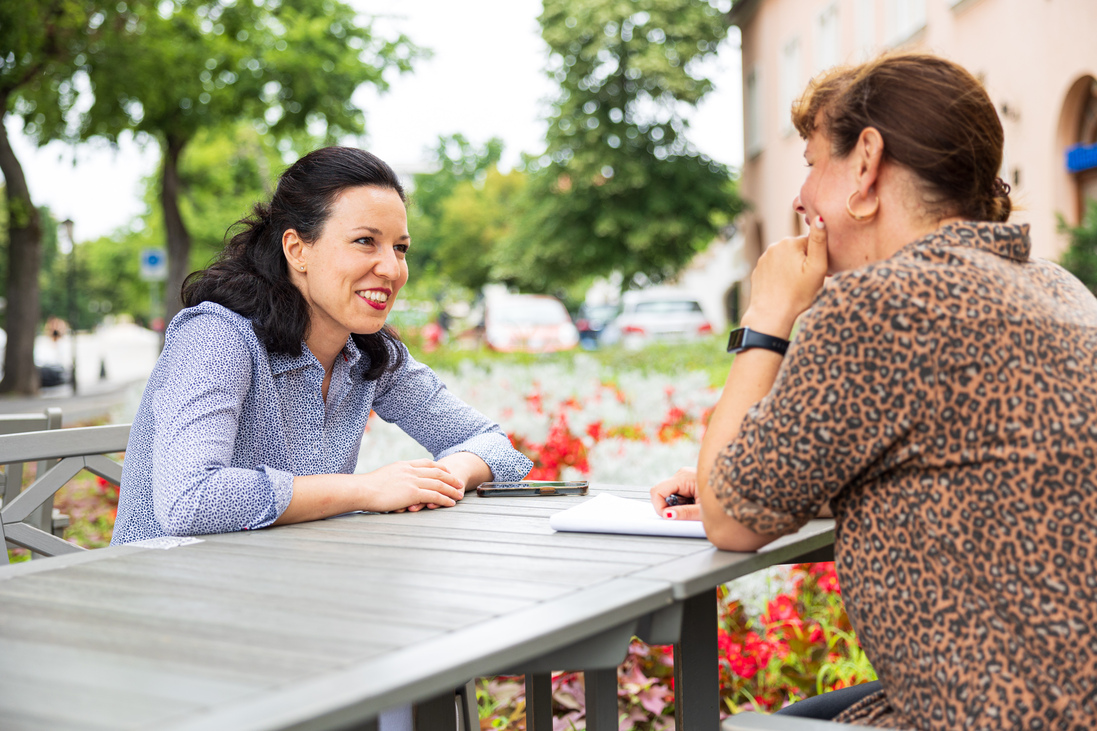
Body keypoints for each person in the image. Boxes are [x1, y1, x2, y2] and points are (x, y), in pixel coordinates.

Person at [651, 53, 1097, 729]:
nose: (799, 197)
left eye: (809, 162)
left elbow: (730, 519)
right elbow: (964, 462)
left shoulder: (879, 306)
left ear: (864, 166)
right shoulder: (1059, 288)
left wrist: (766, 317)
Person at [113, 146, 532, 546]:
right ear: (297, 250)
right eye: (365, 241)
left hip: (289, 585)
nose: (391, 268)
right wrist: (365, 490)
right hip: (166, 595)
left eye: (400, 247)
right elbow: (191, 499)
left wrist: (438, 480)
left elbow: (495, 446)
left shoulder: (368, 354)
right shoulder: (217, 337)